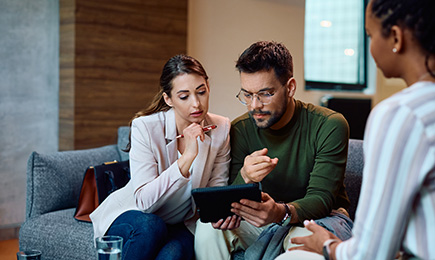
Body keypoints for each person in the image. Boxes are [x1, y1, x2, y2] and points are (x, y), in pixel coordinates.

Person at [276, 0, 435, 259]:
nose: (370, 46)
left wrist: (327, 245)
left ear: (395, 36)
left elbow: (370, 253)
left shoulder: (400, 114)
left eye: (370, 35)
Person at [194, 41, 353, 260]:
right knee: (207, 230)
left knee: (299, 253)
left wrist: (280, 212)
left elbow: (322, 198)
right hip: (263, 219)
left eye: (265, 94)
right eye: (247, 95)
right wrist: (245, 177)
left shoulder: (329, 124)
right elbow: (233, 197)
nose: (254, 106)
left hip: (318, 220)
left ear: (290, 88)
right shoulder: (240, 129)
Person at [90, 54, 231, 260]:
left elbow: (215, 191)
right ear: (168, 99)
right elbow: (145, 203)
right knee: (151, 226)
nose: (196, 104)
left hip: (179, 223)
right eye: (184, 96)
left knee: (173, 254)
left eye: (201, 92)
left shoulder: (221, 128)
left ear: (208, 87)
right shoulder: (145, 127)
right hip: (135, 215)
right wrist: (187, 158)